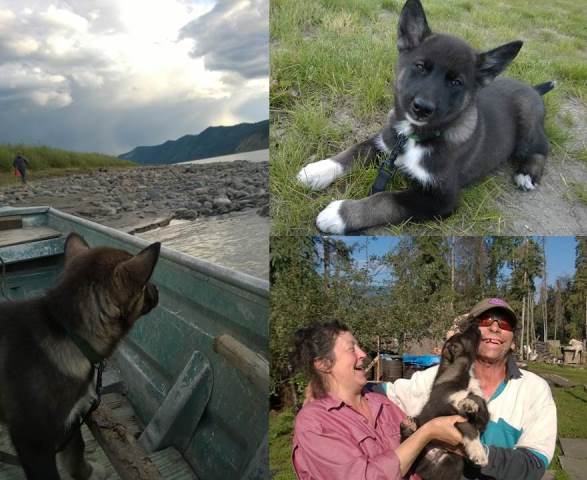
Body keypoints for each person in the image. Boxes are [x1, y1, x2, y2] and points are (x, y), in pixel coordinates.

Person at [382, 298, 557, 480]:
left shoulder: (534, 389)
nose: (495, 328)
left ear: (513, 340)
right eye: (485, 320)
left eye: (504, 324)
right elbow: (378, 394)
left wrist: (470, 450)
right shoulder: (432, 378)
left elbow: (534, 463)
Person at [290, 321, 469, 480]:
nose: (363, 354)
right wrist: (426, 433)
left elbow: (416, 456)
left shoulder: (382, 402)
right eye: (352, 349)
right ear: (323, 364)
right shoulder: (314, 423)